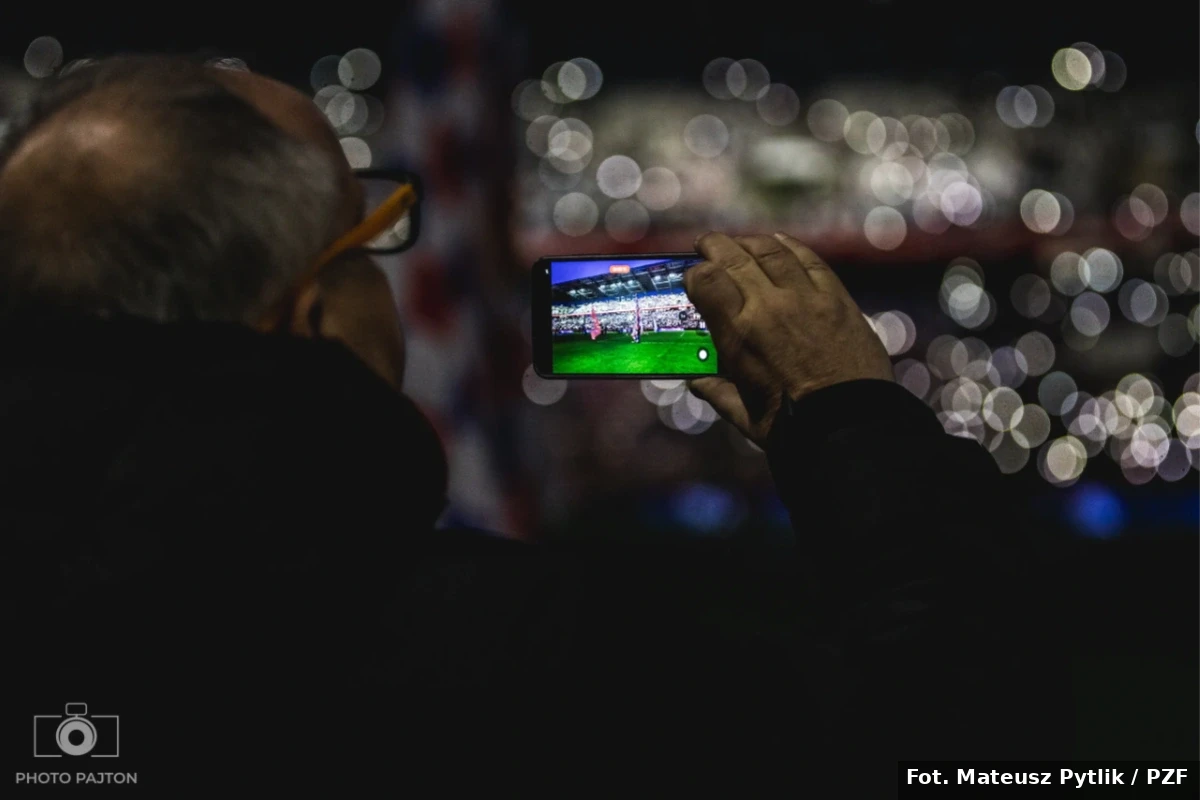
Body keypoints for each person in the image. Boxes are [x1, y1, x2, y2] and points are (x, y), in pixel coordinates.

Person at [0, 56, 1062, 790]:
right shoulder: (513, 664)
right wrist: (848, 418)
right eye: (369, 229)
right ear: (310, 311)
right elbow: (946, 745)